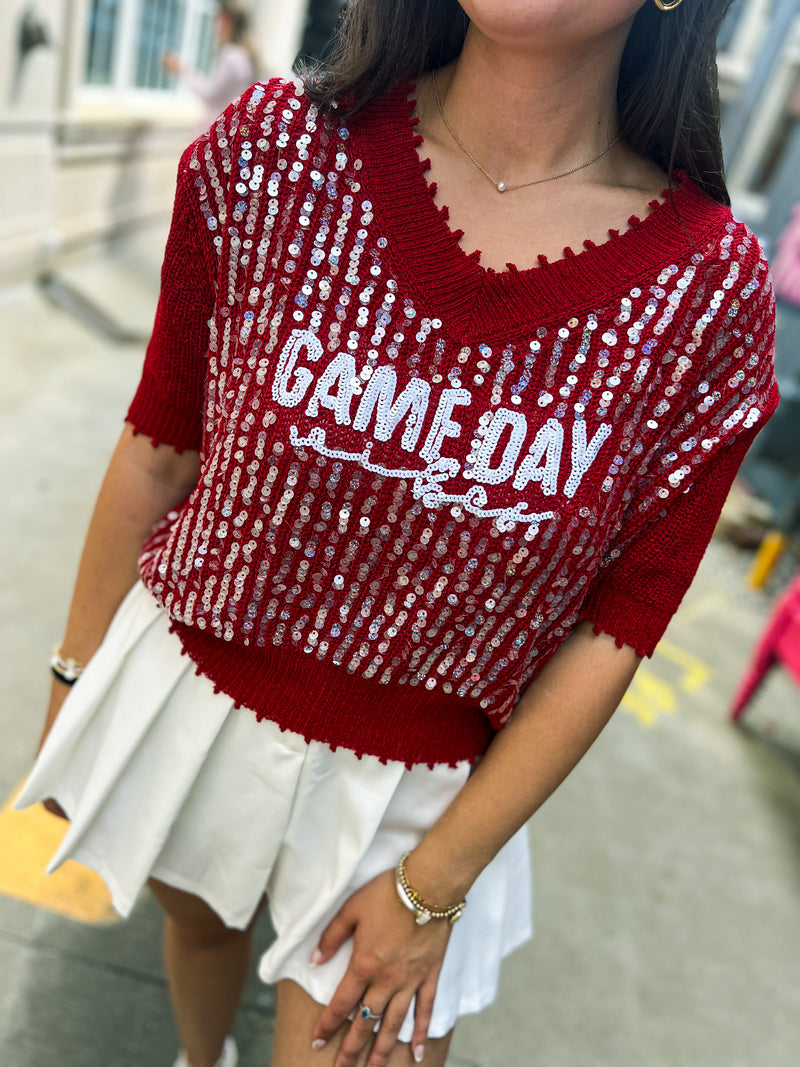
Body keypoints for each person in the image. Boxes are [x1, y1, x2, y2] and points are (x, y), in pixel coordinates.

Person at [14, 2, 781, 1066]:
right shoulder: (273, 153)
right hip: (189, 689)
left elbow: (621, 624)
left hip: (425, 794)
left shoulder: (703, 296)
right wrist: (73, 684)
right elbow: (159, 444)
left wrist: (436, 882)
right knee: (197, 922)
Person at [161, 0, 260, 132]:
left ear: (227, 21)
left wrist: (181, 70)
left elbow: (210, 94)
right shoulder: (244, 54)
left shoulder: (231, 55)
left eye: (217, 18)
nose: (214, 24)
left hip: (220, 128)